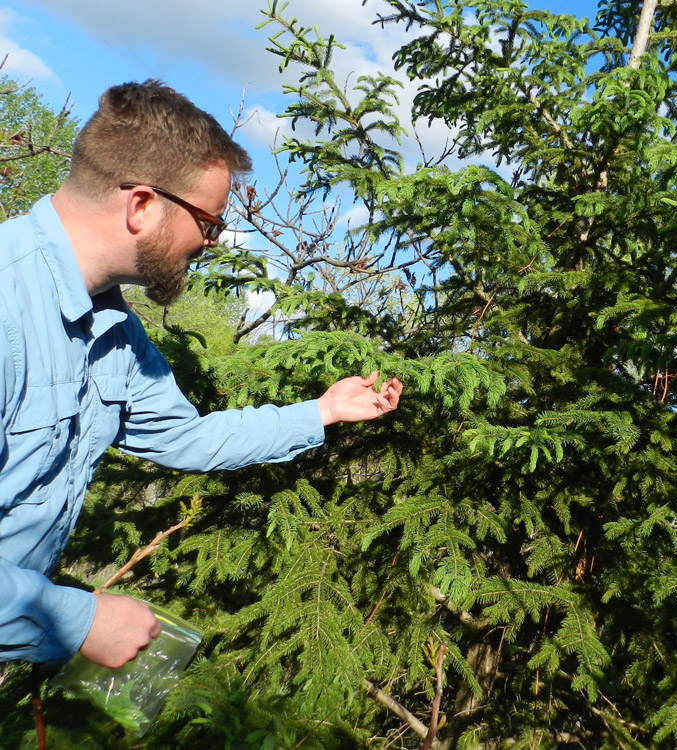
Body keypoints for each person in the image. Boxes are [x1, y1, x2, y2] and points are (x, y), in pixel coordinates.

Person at [0, 80, 402, 670]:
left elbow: (188, 438)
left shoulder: (115, 332)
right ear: (141, 205)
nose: (210, 243)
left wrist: (322, 410)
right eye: (208, 223)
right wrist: (77, 619)